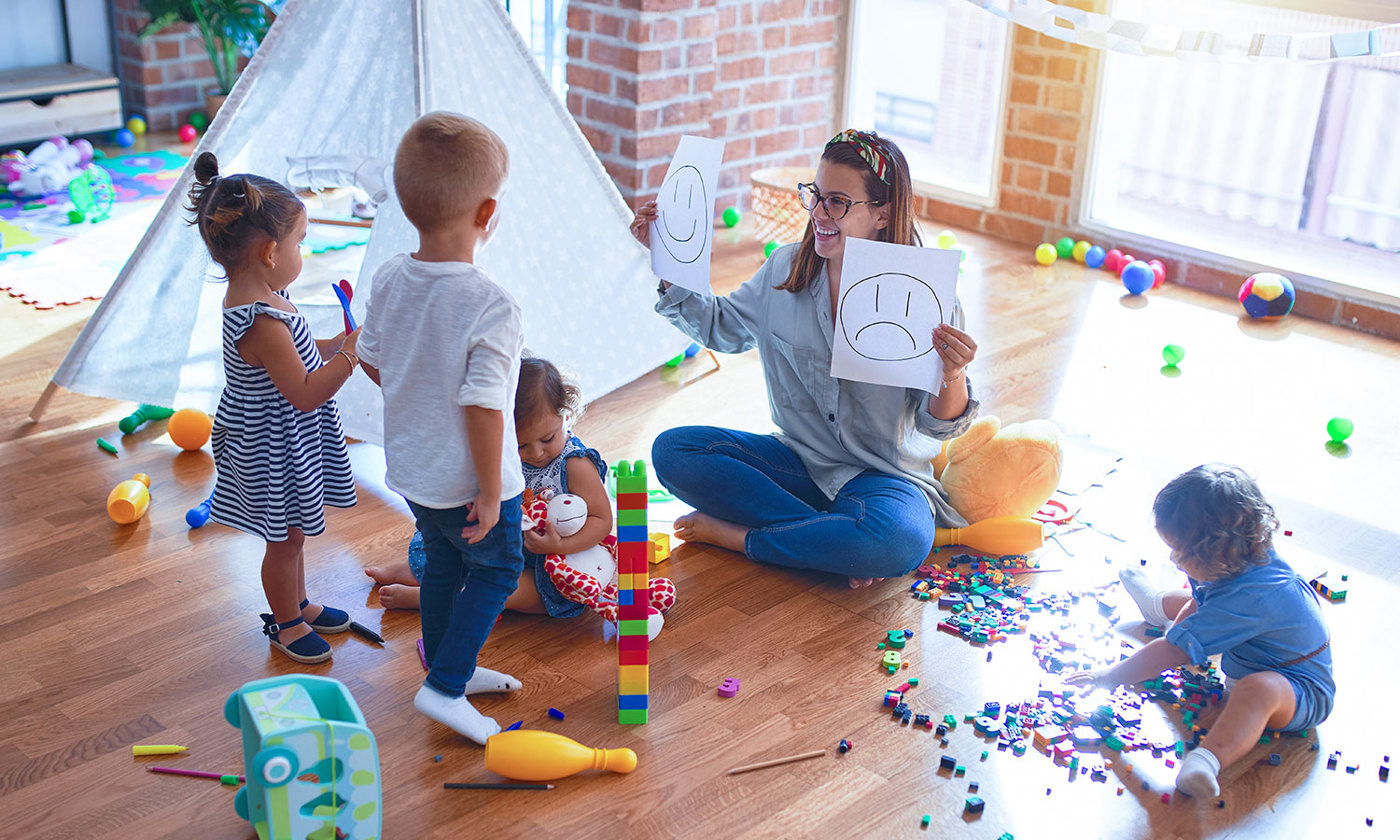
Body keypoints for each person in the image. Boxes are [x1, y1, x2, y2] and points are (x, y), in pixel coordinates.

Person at [630, 129, 980, 587]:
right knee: (673, 451)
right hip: (796, 464)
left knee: (900, 540)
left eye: (837, 201)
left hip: (884, 479)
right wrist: (665, 258)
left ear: (883, 212)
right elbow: (722, 328)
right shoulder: (785, 269)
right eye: (815, 195)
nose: (818, 213)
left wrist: (952, 374)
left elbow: (937, 426)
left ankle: (743, 538)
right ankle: (829, 542)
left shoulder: (927, 295)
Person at [356, 112, 525, 744]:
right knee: (497, 569)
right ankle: (446, 687)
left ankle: (448, 663)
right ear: (488, 213)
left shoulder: (391, 277)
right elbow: (485, 405)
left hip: (414, 471)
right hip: (472, 481)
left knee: (446, 569)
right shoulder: (491, 303)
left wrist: (419, 392)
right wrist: (487, 489)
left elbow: (373, 361)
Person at [1065, 464, 1335, 799]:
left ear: (1215, 550)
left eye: (1178, 551)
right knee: (1201, 600)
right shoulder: (1240, 558)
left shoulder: (1254, 596)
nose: (1173, 558)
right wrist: (1179, 630)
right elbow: (1202, 600)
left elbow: (1170, 651)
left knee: (1257, 688)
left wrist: (1110, 675)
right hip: (1254, 646)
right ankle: (1156, 603)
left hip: (1298, 691)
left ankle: (1207, 761)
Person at [187, 151, 359, 665]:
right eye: (300, 242)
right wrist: (349, 358)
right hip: (270, 445)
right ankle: (285, 624)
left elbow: (302, 354)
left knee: (296, 529)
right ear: (268, 252)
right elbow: (305, 391)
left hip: (284, 437)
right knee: (284, 539)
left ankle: (299, 604)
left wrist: (334, 344)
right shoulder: (261, 318)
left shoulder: (270, 296)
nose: (302, 253)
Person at [364, 357, 612, 617]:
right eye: (521, 445)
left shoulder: (575, 464)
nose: (537, 453)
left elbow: (602, 520)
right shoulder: (505, 455)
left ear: (565, 414)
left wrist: (558, 546)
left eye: (547, 438)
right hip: (509, 548)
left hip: (558, 561)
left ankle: (431, 600)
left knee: (510, 591)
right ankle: (415, 571)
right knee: (454, 542)